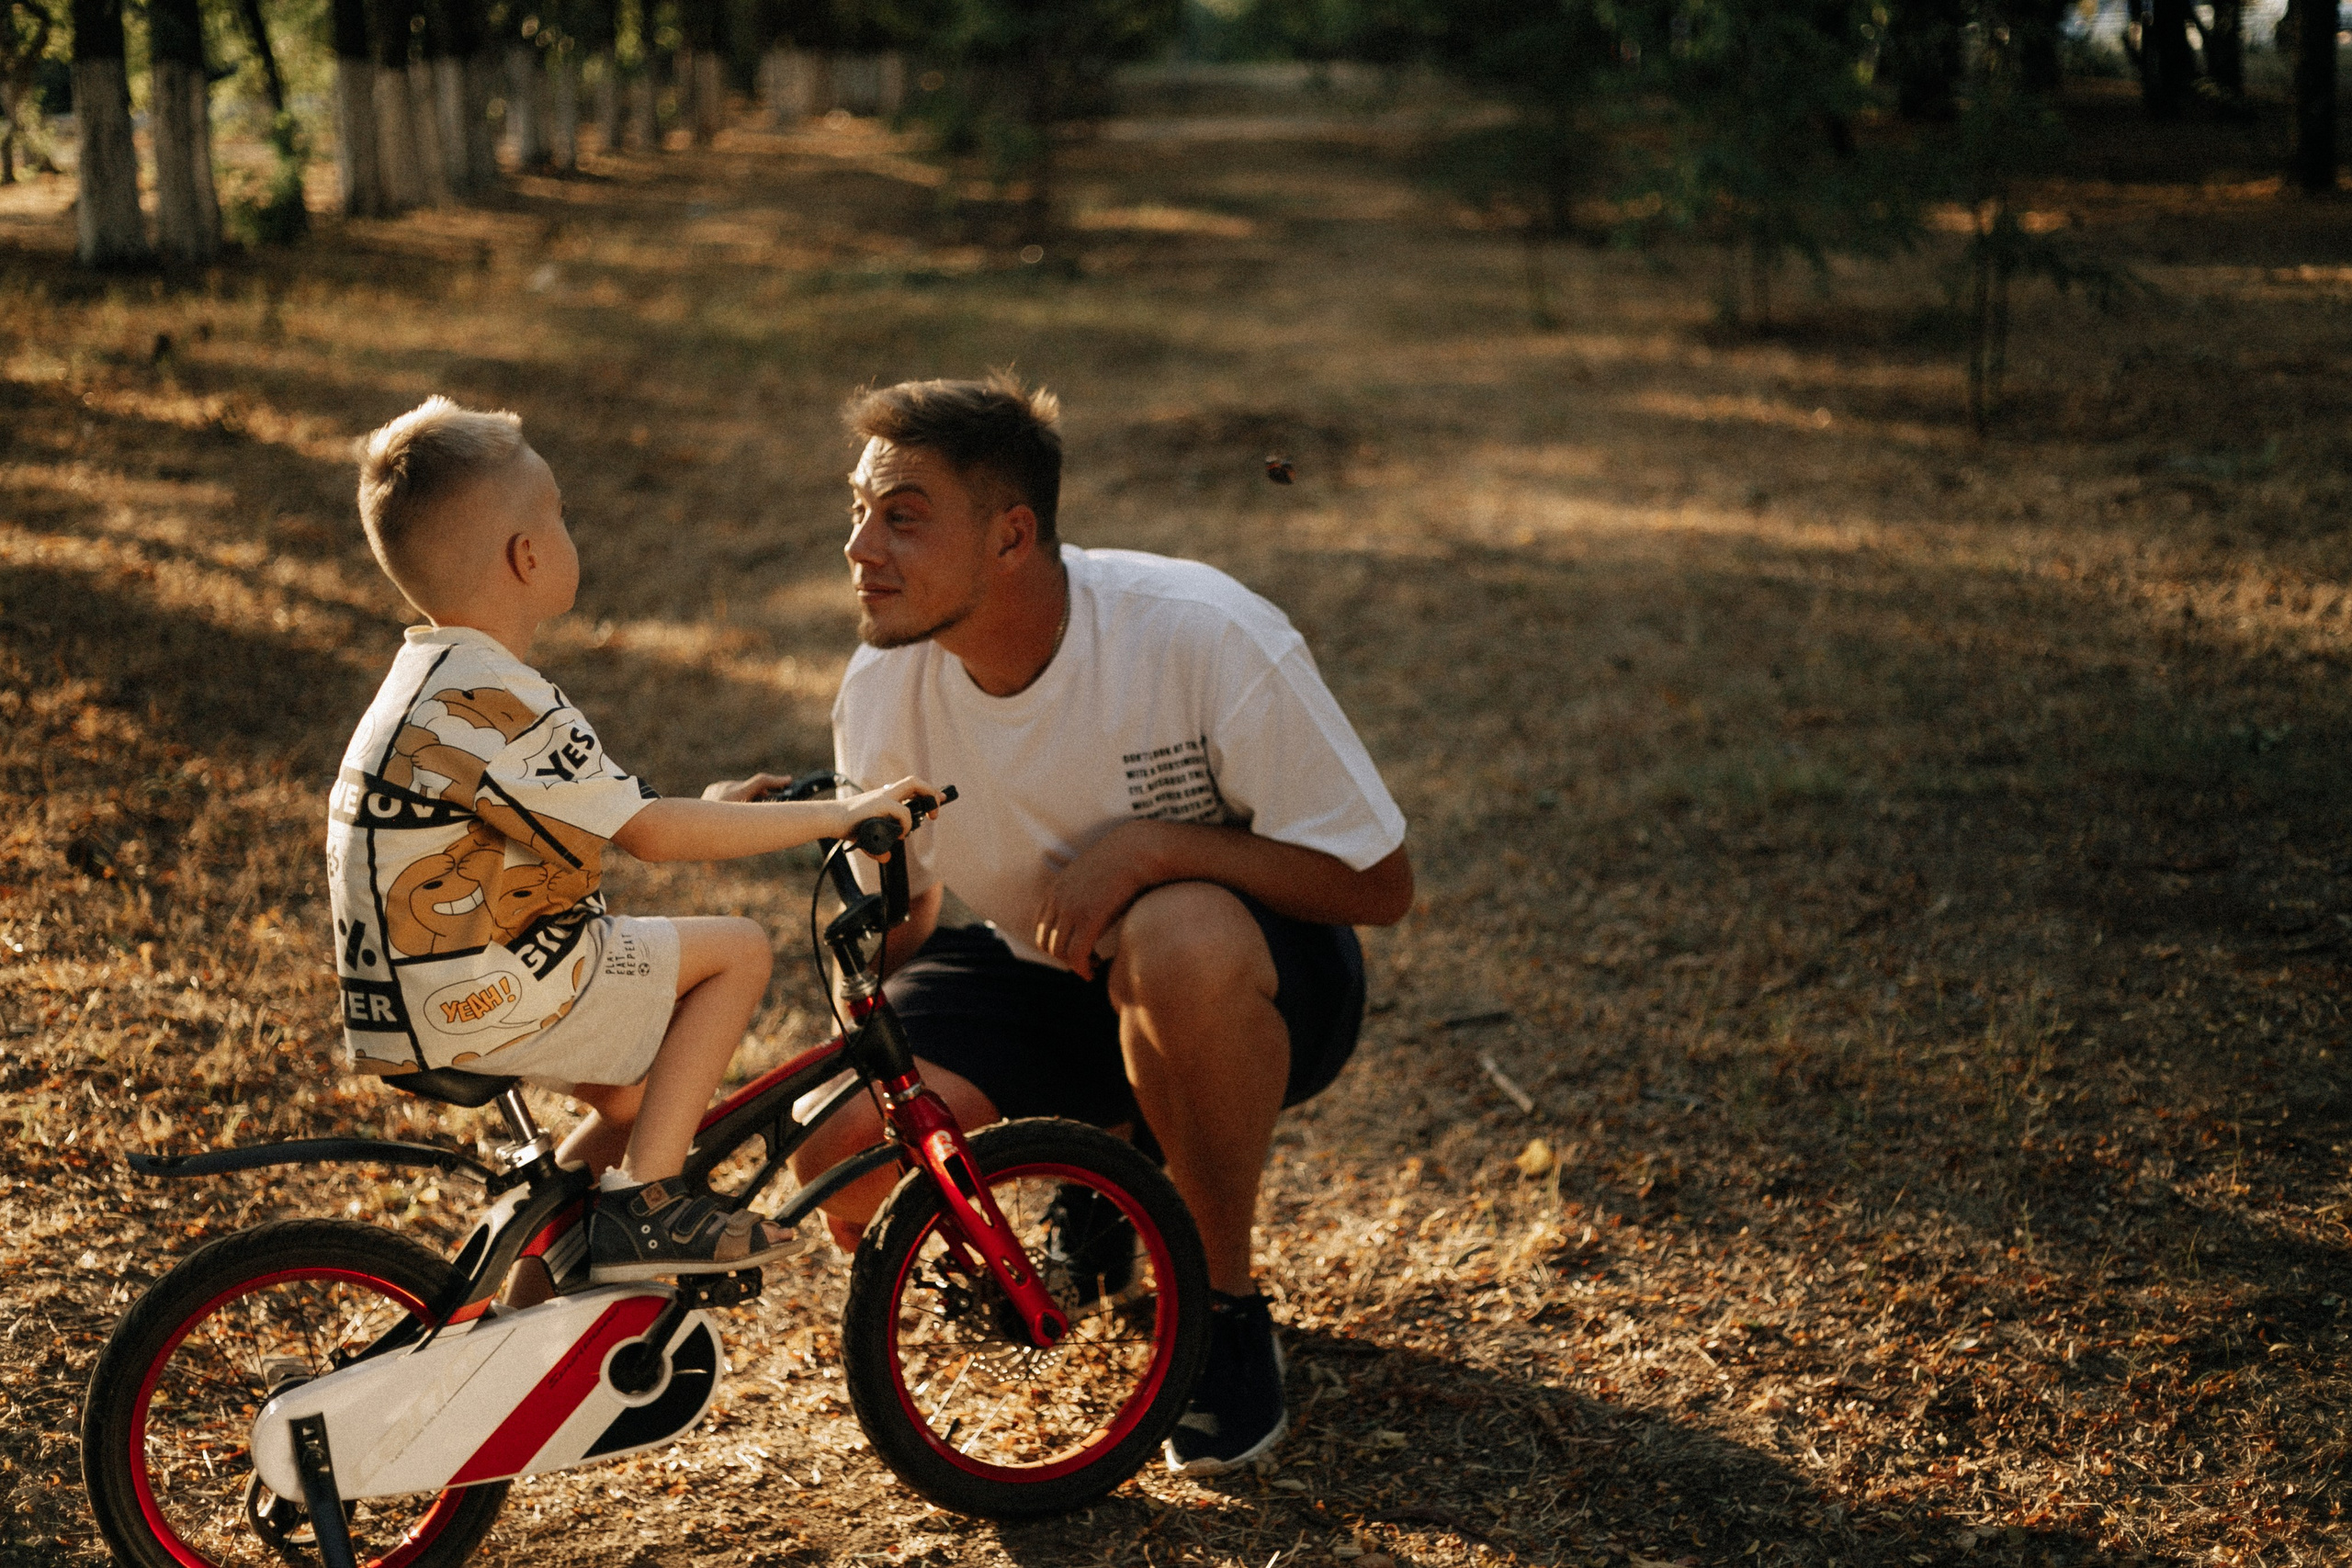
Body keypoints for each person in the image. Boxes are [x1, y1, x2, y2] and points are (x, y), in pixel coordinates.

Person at [713, 374, 1412, 1476]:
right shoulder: (884, 683)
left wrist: (1152, 847)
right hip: (1035, 964)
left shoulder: (1199, 631)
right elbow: (910, 921)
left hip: (1249, 978)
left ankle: (1218, 1305)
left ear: (1011, 536)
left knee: (1173, 930)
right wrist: (828, 867)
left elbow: (1378, 882)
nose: (858, 547)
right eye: (855, 511)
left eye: (900, 516)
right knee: (837, 1146)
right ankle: (1108, 1177)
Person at [332, 395, 934, 1285]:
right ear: (527, 556)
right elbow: (653, 837)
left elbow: (606, 808)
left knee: (644, 1091)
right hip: (484, 989)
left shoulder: (432, 680)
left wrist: (714, 803)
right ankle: (645, 1208)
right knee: (737, 949)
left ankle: (528, 1283)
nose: (568, 535)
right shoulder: (507, 700)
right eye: (560, 517)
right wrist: (839, 815)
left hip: (401, 998)